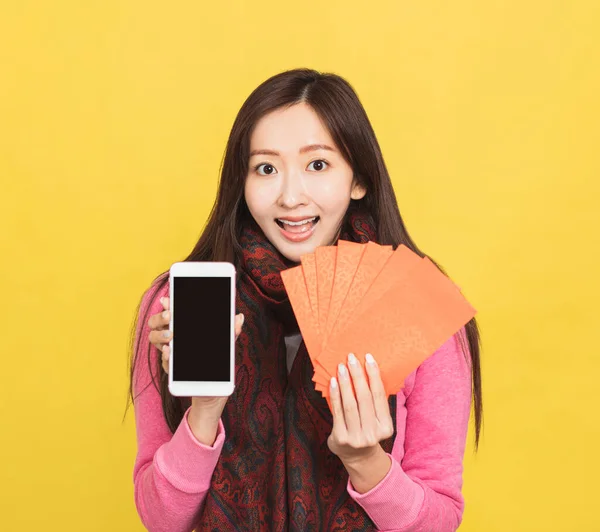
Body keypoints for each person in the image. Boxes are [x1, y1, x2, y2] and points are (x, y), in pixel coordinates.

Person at [128, 68, 483, 532]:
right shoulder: (180, 305)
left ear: (359, 180)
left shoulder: (417, 305)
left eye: (318, 165)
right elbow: (162, 520)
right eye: (266, 168)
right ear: (242, 181)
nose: (291, 196)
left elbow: (440, 520)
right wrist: (205, 411)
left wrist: (365, 461)